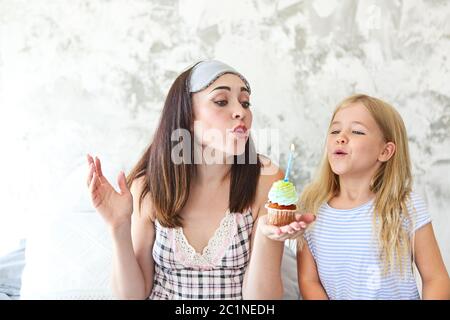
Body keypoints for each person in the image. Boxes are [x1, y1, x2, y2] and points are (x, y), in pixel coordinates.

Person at [86, 60, 315, 299]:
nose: (241, 112)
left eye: (245, 102)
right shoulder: (148, 186)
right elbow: (131, 296)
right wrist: (119, 227)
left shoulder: (266, 180)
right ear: (187, 114)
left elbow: (260, 301)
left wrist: (269, 237)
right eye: (221, 101)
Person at [297, 94, 450, 300]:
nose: (340, 137)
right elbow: (309, 281)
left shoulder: (404, 205)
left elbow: (435, 278)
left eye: (357, 131)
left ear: (385, 151)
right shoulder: (311, 208)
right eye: (335, 130)